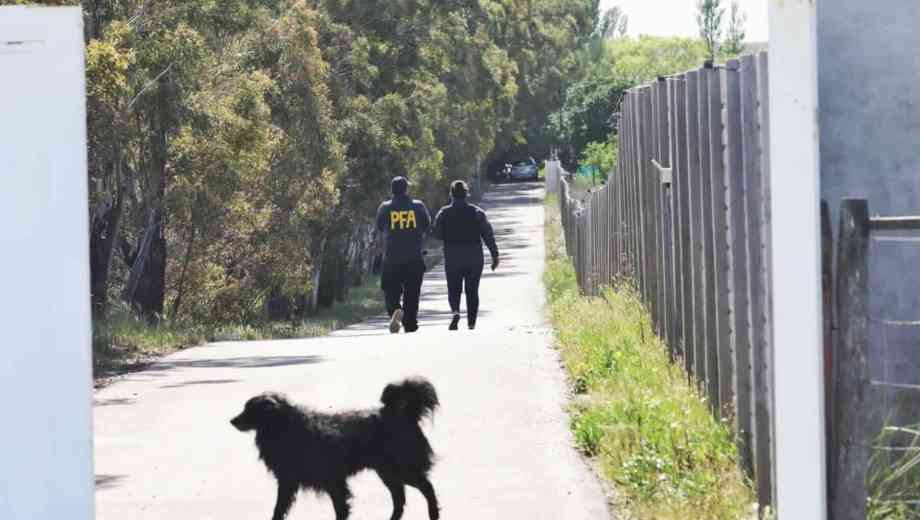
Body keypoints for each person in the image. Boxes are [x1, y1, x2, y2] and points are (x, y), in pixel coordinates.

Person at [431, 180, 499, 330]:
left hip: (453, 256)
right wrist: (495, 255)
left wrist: (448, 234)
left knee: (454, 288)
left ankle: (455, 311)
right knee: (472, 290)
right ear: (467, 194)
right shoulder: (477, 212)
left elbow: (436, 233)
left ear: (451, 194)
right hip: (474, 257)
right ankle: (471, 323)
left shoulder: (444, 212)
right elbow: (488, 234)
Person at [376, 176, 431, 333]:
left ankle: (395, 310)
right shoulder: (418, 206)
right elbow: (427, 226)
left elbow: (380, 227)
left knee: (390, 290)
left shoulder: (384, 208)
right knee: (412, 293)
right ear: (406, 189)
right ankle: (410, 324)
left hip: (391, 258)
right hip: (414, 257)